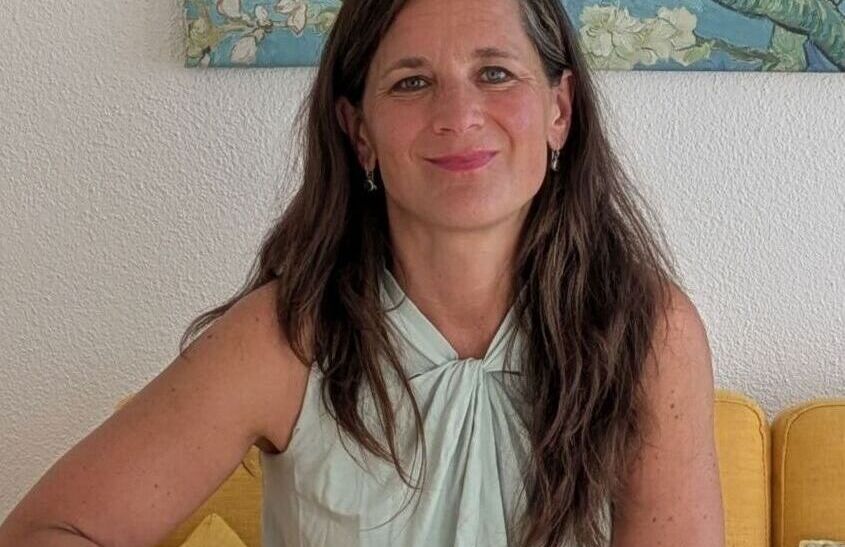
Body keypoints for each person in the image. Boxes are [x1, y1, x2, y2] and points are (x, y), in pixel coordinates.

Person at [0, 0, 726, 545]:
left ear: (559, 110)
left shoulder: (649, 333)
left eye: (495, 73)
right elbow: (48, 530)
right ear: (359, 132)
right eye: (411, 82)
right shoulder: (286, 337)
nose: (458, 114)